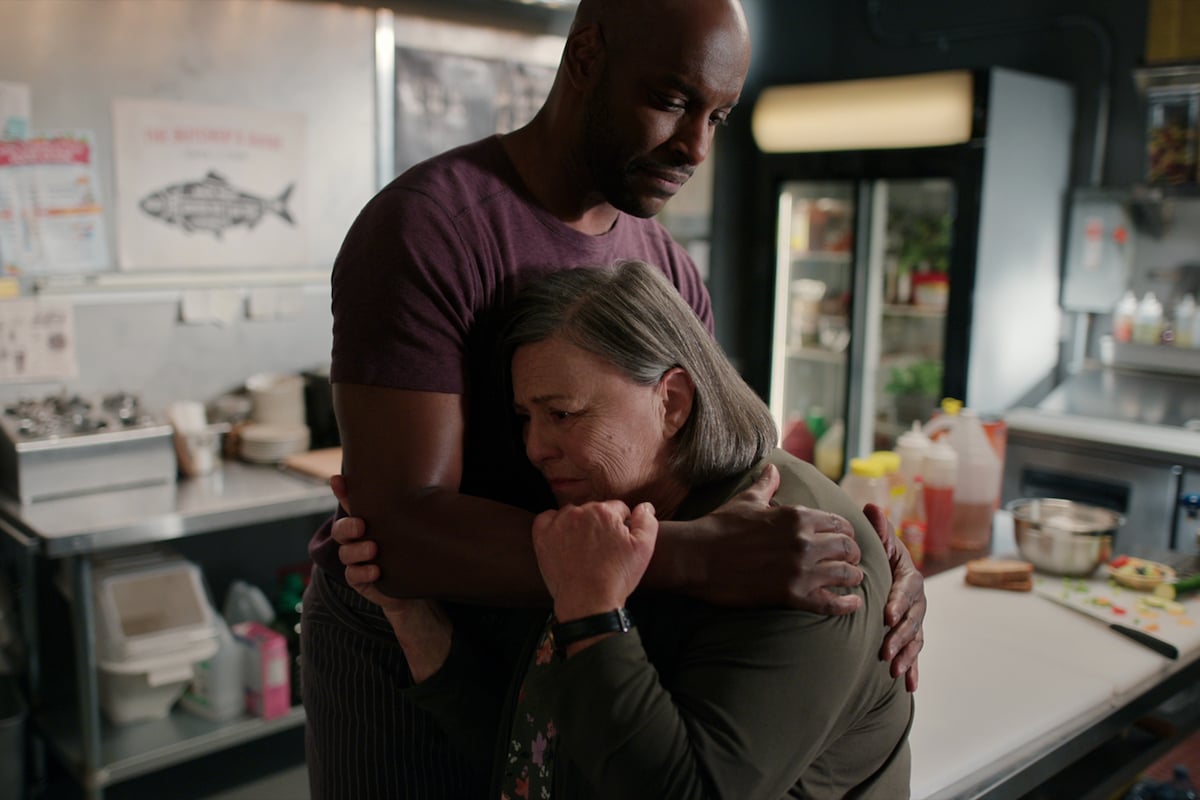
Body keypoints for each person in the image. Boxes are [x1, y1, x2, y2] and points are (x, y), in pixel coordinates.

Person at [302, 0, 926, 796]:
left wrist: (869, 557)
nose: (695, 145)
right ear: (587, 56)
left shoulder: (664, 262)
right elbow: (398, 533)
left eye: (718, 116)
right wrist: (692, 556)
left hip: (569, 634)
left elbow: (728, 453)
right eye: (670, 100)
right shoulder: (430, 229)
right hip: (410, 633)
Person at [336, 260, 913, 798]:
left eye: (563, 415)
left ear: (673, 402)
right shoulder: (617, 510)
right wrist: (410, 613)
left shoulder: (794, 549)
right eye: (525, 419)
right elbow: (538, 751)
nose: (536, 448)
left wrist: (593, 608)